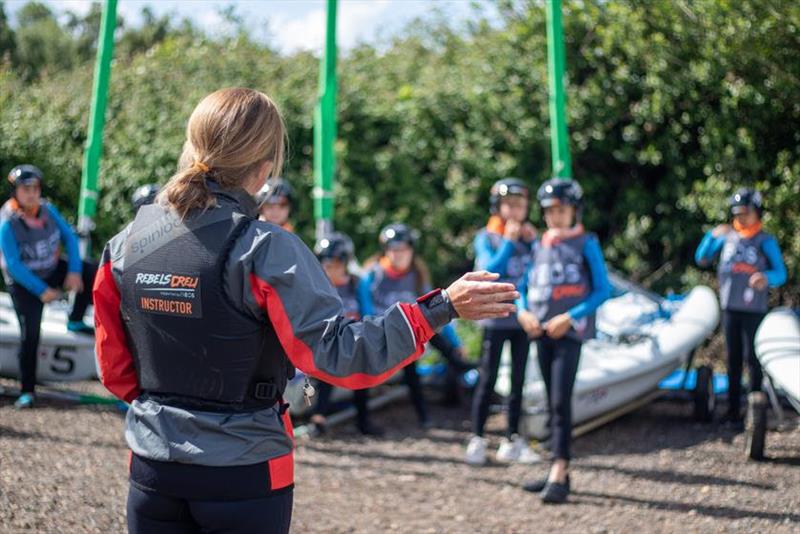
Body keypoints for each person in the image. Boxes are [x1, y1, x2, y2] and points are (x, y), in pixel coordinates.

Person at [92, 87, 518, 533]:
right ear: (265, 167)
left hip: (152, 468)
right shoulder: (265, 248)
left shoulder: (126, 244)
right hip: (245, 473)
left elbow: (115, 369)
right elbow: (341, 358)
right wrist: (440, 308)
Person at [517, 178, 611, 504]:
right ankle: (556, 468)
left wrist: (570, 317)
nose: (555, 216)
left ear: (574, 210)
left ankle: (560, 468)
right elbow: (525, 285)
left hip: (568, 333)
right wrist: (522, 311)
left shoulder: (586, 243)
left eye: (562, 210)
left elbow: (602, 289)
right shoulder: (538, 245)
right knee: (549, 399)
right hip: (539, 331)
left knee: (560, 400)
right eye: (549, 211)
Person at [0, 164, 96, 409]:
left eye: (35, 188)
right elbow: (13, 266)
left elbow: (70, 239)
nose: (31, 193)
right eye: (25, 189)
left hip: (50, 269)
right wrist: (41, 291)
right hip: (25, 284)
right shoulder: (7, 223)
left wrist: (73, 271)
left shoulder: (48, 210)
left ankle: (75, 319)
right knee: (30, 334)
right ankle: (27, 391)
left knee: (90, 270)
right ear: (16, 193)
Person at [362, 223, 474, 428]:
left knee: (433, 341)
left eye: (403, 249)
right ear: (386, 251)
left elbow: (437, 308)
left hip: (409, 333)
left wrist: (456, 343)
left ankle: (454, 381)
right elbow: (366, 312)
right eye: (394, 250)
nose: (399, 255)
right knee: (405, 366)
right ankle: (368, 420)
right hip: (383, 332)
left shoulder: (417, 275)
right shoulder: (372, 275)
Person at [695, 187, 786, 428]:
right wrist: (711, 236)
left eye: (745, 212)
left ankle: (755, 414)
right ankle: (733, 411)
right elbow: (701, 258)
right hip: (730, 307)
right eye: (737, 213)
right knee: (733, 359)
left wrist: (765, 277)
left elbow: (781, 273)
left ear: (756, 213)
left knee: (753, 360)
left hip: (754, 309)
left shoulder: (765, 241)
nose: (741, 217)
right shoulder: (727, 237)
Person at [466, 178, 540, 465]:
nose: (514, 211)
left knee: (518, 381)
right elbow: (489, 269)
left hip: (520, 320)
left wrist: (532, 243)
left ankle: (512, 439)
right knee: (488, 379)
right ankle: (477, 438)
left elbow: (537, 274)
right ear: (497, 207)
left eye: (520, 206)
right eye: (509, 205)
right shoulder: (486, 237)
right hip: (494, 320)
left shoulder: (529, 239)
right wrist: (509, 242)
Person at [309, 231, 383, 436]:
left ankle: (363, 419)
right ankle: (319, 417)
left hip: (353, 336)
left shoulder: (356, 283)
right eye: (324, 263)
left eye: (332, 264)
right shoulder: (318, 285)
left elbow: (367, 311)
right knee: (329, 363)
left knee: (361, 365)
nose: (327, 268)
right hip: (327, 340)